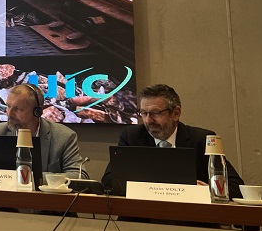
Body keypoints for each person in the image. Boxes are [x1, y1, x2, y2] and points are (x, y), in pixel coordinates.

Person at [101, 84, 244, 197]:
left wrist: (207, 190)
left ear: (176, 113)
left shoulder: (202, 139)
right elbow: (109, 181)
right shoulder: (131, 136)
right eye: (143, 113)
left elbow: (235, 186)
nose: (148, 120)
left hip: (191, 218)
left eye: (156, 113)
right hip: (142, 217)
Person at [0, 83, 88, 178]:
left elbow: (80, 176)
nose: (9, 114)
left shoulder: (64, 137)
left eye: (18, 109)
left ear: (37, 112)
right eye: (8, 106)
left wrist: (30, 178)